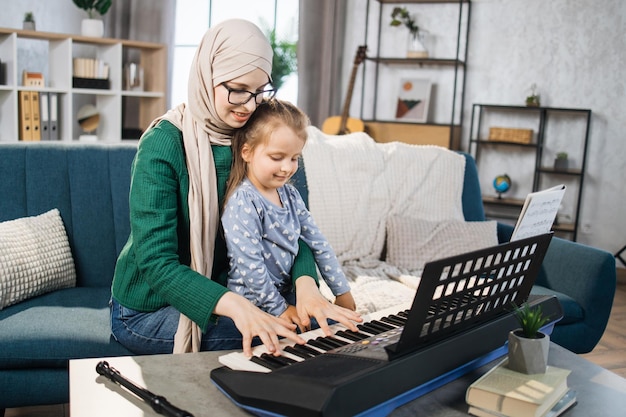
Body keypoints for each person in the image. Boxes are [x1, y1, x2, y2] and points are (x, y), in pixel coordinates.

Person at [110, 19, 361, 357]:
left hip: (237, 291)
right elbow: (157, 264)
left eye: (260, 92)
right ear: (208, 75)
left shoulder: (263, 135)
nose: (248, 105)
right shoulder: (164, 144)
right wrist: (240, 308)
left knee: (325, 322)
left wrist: (307, 286)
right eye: (238, 89)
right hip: (149, 307)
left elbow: (294, 227)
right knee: (297, 337)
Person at [222, 99, 356, 330]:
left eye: (294, 158)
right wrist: (280, 309)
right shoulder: (244, 201)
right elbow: (250, 267)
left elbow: (318, 243)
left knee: (338, 323)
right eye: (277, 158)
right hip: (254, 302)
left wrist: (341, 290)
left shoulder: (291, 195)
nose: (287, 167)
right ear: (247, 152)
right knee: (317, 330)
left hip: (286, 295)